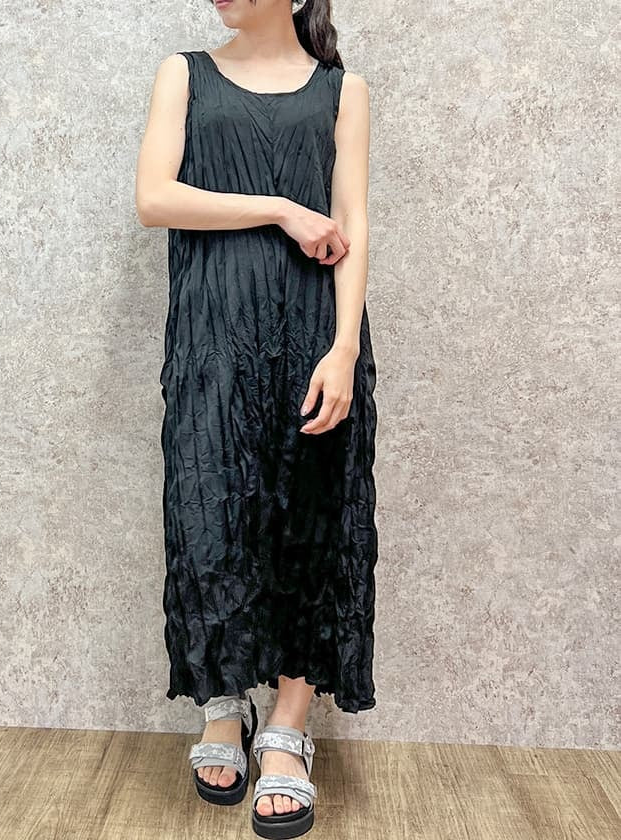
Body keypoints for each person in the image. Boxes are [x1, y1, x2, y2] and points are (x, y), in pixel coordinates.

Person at [136, 0, 378, 836]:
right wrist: (278, 205)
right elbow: (154, 198)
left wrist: (345, 348)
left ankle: (288, 725)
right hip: (214, 335)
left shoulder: (343, 91)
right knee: (211, 518)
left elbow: (354, 222)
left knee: (311, 523)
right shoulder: (185, 74)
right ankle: (220, 704)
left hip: (314, 335)